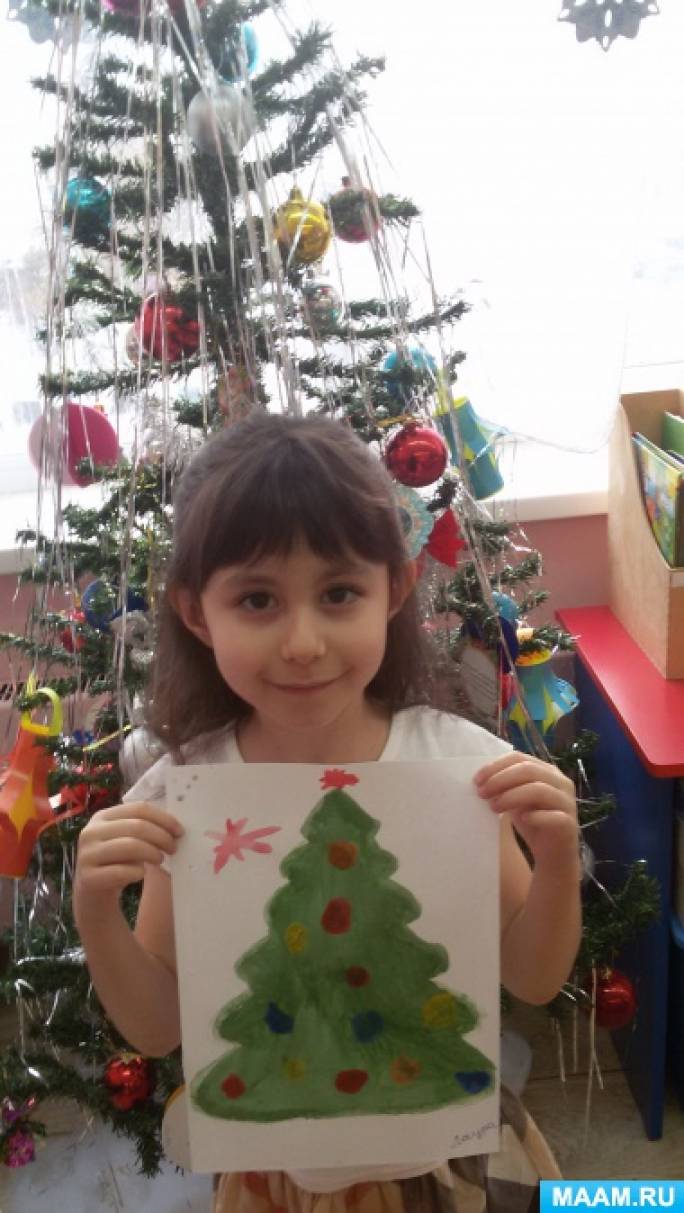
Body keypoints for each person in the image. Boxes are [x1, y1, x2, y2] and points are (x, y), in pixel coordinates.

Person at [74, 410, 581, 1213]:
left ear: (395, 589)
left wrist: (555, 862)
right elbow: (160, 1026)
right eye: (258, 599)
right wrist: (97, 911)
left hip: (445, 1163)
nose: (304, 641)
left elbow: (534, 975)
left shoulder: (458, 769)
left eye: (339, 592)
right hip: (275, 1178)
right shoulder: (192, 794)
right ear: (198, 613)